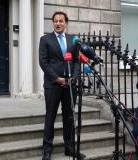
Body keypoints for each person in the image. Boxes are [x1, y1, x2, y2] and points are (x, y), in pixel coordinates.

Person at [39, 11, 80, 160]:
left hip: (69, 84)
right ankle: (47, 149)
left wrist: (74, 77)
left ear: (65, 23)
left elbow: (76, 61)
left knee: (69, 117)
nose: (58, 23)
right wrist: (57, 78)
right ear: (53, 23)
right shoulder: (45, 39)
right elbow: (43, 62)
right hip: (53, 85)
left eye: (61, 21)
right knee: (50, 117)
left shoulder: (72, 40)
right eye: (55, 21)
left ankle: (69, 148)